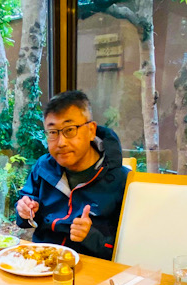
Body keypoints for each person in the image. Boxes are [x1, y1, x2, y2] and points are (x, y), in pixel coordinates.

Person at [15, 90, 128, 260]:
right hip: (41, 264)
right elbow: (23, 219)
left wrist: (91, 236)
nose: (61, 142)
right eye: (53, 133)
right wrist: (25, 210)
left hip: (91, 273)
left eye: (70, 130)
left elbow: (126, 252)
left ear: (91, 130)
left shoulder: (122, 181)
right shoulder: (43, 167)